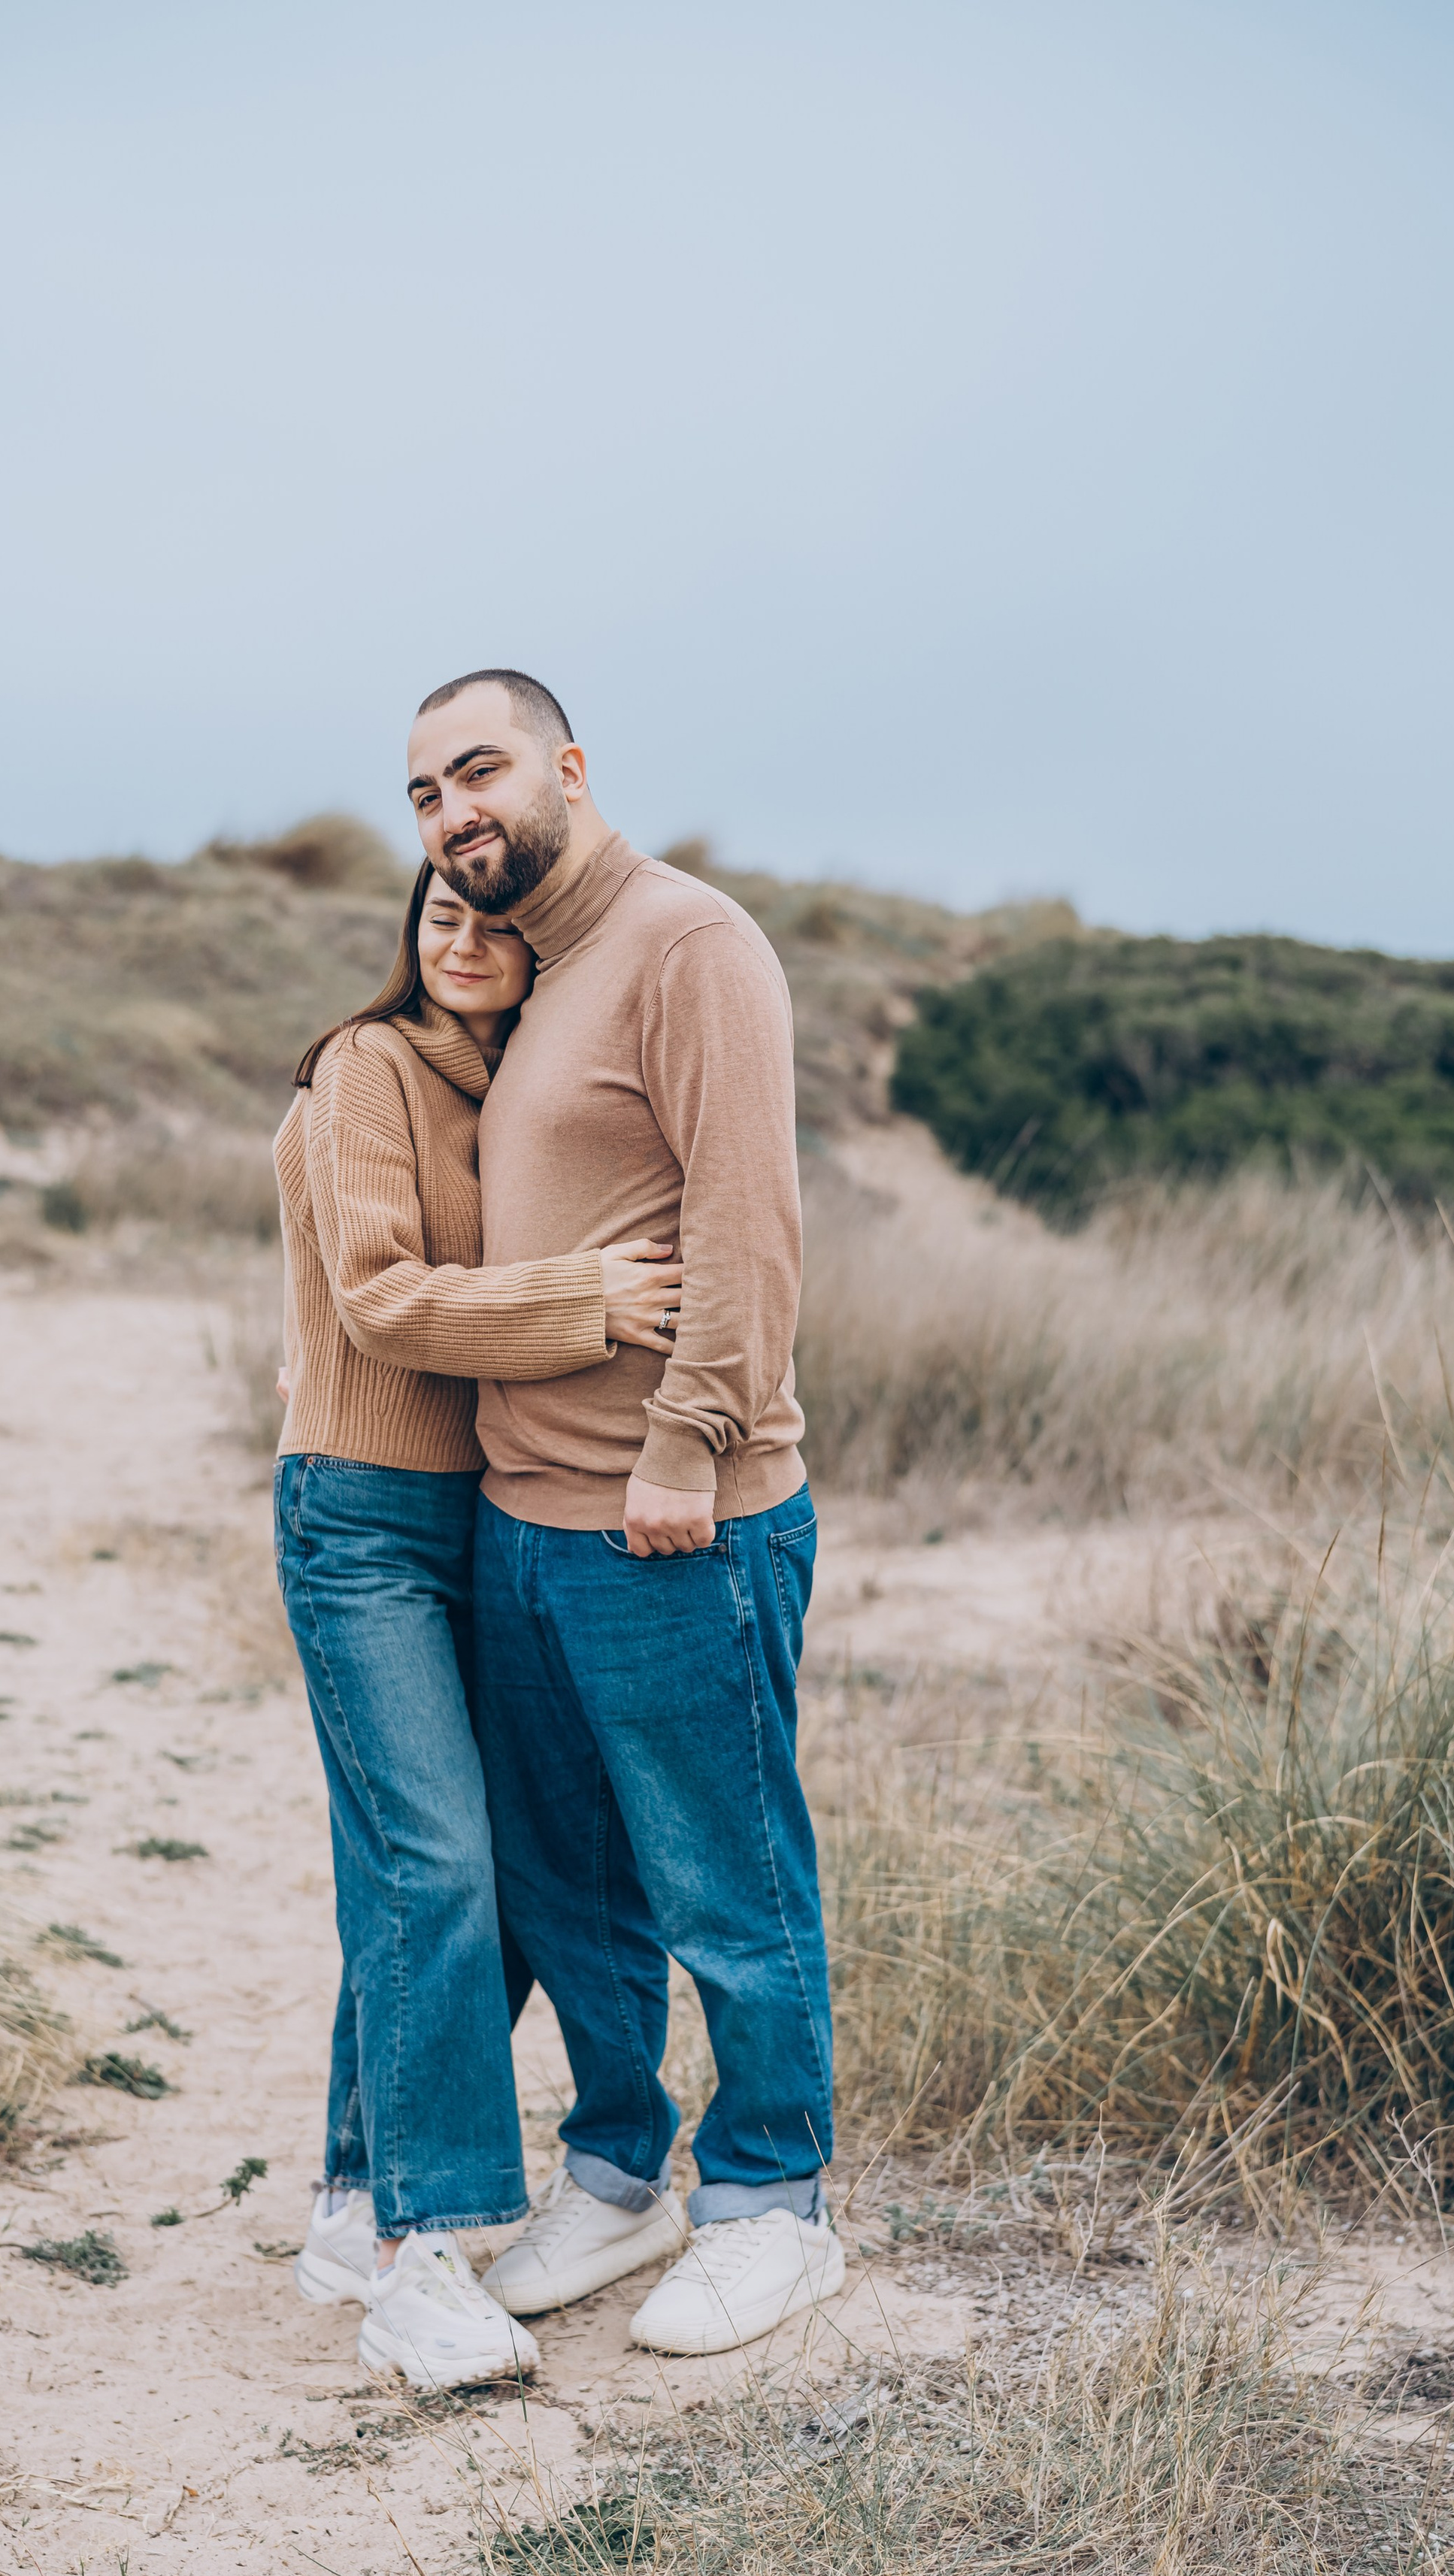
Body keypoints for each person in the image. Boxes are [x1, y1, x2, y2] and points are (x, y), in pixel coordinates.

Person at [404, 669, 843, 2358]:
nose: (455, 813)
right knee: (570, 1882)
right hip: (526, 1523)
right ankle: (615, 2171)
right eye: (426, 794)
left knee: (723, 1876)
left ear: (567, 769)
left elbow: (749, 1216)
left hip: (677, 1517)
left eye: (480, 770)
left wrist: (687, 1445)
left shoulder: (687, 943)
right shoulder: (548, 970)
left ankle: (773, 2201)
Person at [272, 859, 683, 2389]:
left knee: (445, 1867)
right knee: (433, 1856)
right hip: (363, 1518)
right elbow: (379, 1297)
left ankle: (343, 2191)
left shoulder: (519, 1091)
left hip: (489, 1513)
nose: (458, 933)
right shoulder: (365, 1066)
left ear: (537, 952)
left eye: (489, 918)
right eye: (433, 910)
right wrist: (580, 1300)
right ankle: (412, 2258)